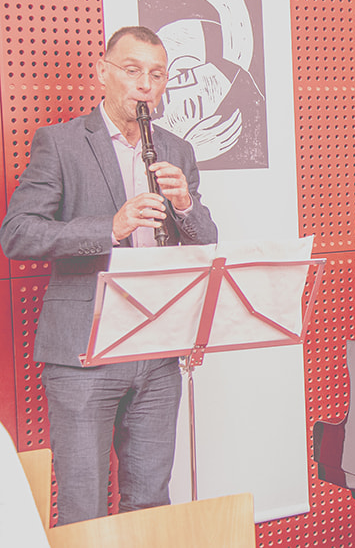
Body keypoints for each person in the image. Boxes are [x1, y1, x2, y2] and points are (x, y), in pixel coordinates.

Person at [0, 26, 218, 525]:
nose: (145, 84)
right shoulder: (61, 143)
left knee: (150, 506)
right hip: (84, 352)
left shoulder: (177, 150)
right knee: (84, 509)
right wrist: (111, 227)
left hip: (157, 350)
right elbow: (18, 234)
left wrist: (185, 204)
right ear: (103, 72)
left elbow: (205, 243)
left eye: (157, 75)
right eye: (132, 70)